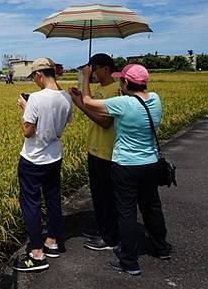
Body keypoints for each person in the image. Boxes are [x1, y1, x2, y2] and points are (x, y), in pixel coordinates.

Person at [81, 64, 171, 276]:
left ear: (126, 82)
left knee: (127, 212)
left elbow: (87, 102)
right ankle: (161, 248)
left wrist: (85, 78)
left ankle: (129, 261)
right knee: (152, 206)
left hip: (125, 166)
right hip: (150, 164)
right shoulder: (155, 99)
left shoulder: (122, 103)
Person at [14, 57, 73, 272]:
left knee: (31, 202)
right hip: (54, 156)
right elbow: (64, 123)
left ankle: (37, 252)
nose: (34, 82)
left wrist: (25, 107)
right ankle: (53, 242)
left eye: (34, 77)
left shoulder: (36, 99)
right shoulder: (66, 97)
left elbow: (28, 132)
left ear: (40, 75)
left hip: (33, 158)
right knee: (52, 197)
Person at [69, 54, 120, 251]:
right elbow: (91, 108)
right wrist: (80, 100)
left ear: (106, 68)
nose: (93, 73)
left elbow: (105, 121)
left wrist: (82, 105)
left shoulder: (115, 91)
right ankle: (103, 230)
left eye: (95, 69)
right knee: (98, 195)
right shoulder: (101, 89)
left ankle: (110, 238)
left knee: (107, 196)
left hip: (107, 152)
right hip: (96, 150)